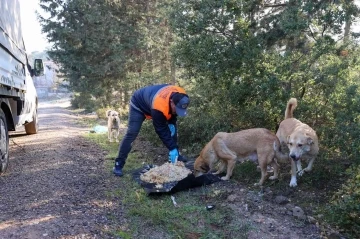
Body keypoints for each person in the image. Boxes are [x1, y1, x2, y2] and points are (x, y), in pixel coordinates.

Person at [113, 84, 190, 176]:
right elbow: (160, 129)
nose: (177, 111)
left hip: (153, 101)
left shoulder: (181, 95)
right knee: (132, 133)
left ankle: (176, 157)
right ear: (172, 102)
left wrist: (172, 123)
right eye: (176, 109)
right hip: (138, 104)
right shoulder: (159, 106)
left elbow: (173, 114)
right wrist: (172, 147)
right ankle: (118, 164)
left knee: (172, 130)